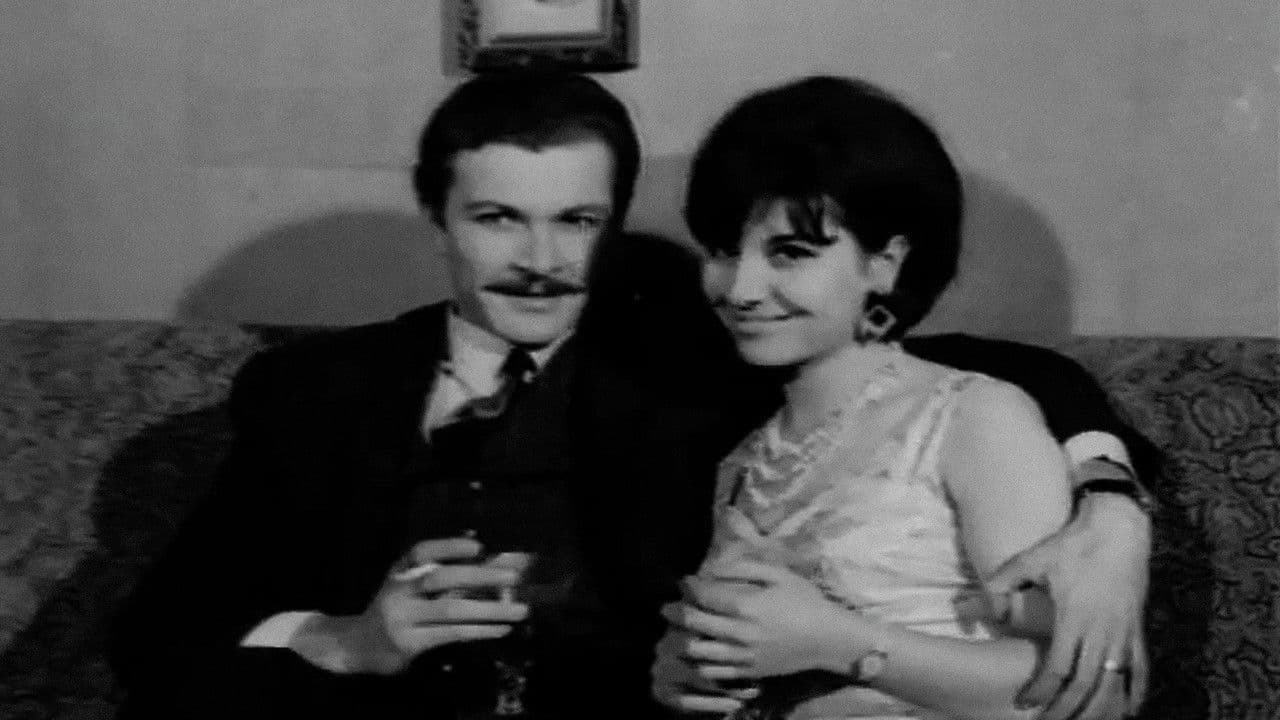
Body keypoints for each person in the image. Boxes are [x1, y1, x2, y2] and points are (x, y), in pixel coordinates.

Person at [112, 71, 1151, 720]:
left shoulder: (696, 354)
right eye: (496, 219)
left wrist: (1110, 502)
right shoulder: (311, 394)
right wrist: (348, 642)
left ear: (612, 225)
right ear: (437, 216)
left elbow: (976, 371)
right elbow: (153, 645)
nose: (538, 261)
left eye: (575, 221)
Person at [652, 75, 1152, 720]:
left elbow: (1096, 694)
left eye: (790, 252)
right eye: (723, 251)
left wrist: (843, 644)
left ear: (885, 263)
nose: (740, 289)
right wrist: (684, 677)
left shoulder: (974, 420)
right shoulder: (745, 460)